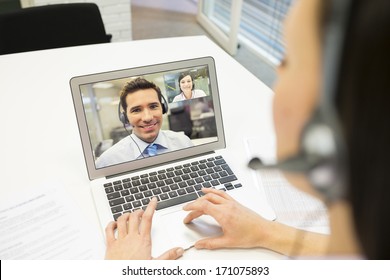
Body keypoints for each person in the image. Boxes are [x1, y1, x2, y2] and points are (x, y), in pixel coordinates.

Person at [104, 0, 390, 259]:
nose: (277, 74)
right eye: (136, 110)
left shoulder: (181, 139)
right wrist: (267, 232)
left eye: (289, 59)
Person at [96, 78, 194, 168]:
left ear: (163, 108)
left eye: (153, 106)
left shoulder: (184, 143)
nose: (148, 117)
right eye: (137, 110)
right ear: (125, 117)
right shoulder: (108, 161)